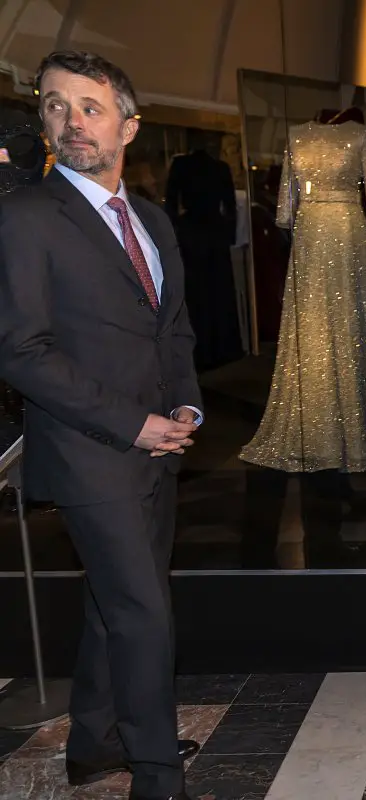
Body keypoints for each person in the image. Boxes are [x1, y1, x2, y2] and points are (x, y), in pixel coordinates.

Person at [0, 51, 205, 800]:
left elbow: (172, 329)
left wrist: (185, 406)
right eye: (55, 106)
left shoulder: (148, 219)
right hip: (93, 452)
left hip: (160, 447)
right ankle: (157, 774)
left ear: (129, 123)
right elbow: (20, 350)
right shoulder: (24, 217)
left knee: (109, 603)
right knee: (145, 611)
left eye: (89, 106)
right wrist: (134, 424)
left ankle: (94, 742)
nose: (71, 122)